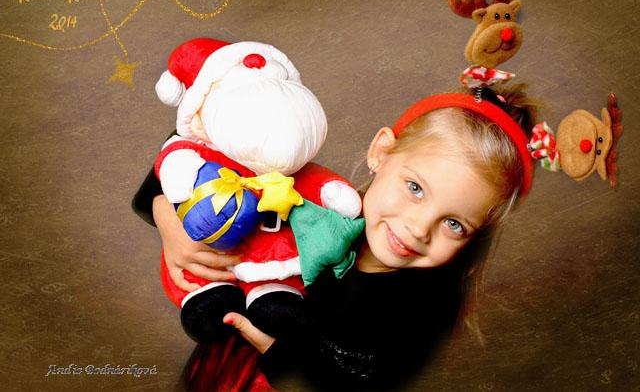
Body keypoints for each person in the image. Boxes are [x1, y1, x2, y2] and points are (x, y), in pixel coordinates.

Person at [133, 84, 539, 390]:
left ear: (476, 233)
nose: (419, 229)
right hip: (224, 369)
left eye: (454, 224)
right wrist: (167, 213)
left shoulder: (429, 305)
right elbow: (201, 149)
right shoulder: (320, 203)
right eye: (415, 188)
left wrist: (278, 352)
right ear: (382, 152)